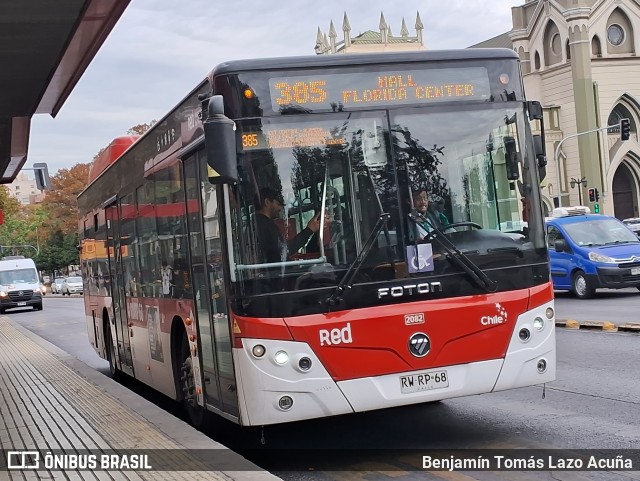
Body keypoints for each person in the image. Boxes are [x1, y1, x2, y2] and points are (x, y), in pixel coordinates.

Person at [254, 187, 323, 263]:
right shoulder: (263, 225)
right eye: (278, 204)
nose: (280, 208)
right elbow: (284, 251)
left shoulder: (260, 223)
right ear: (267, 202)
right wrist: (309, 230)